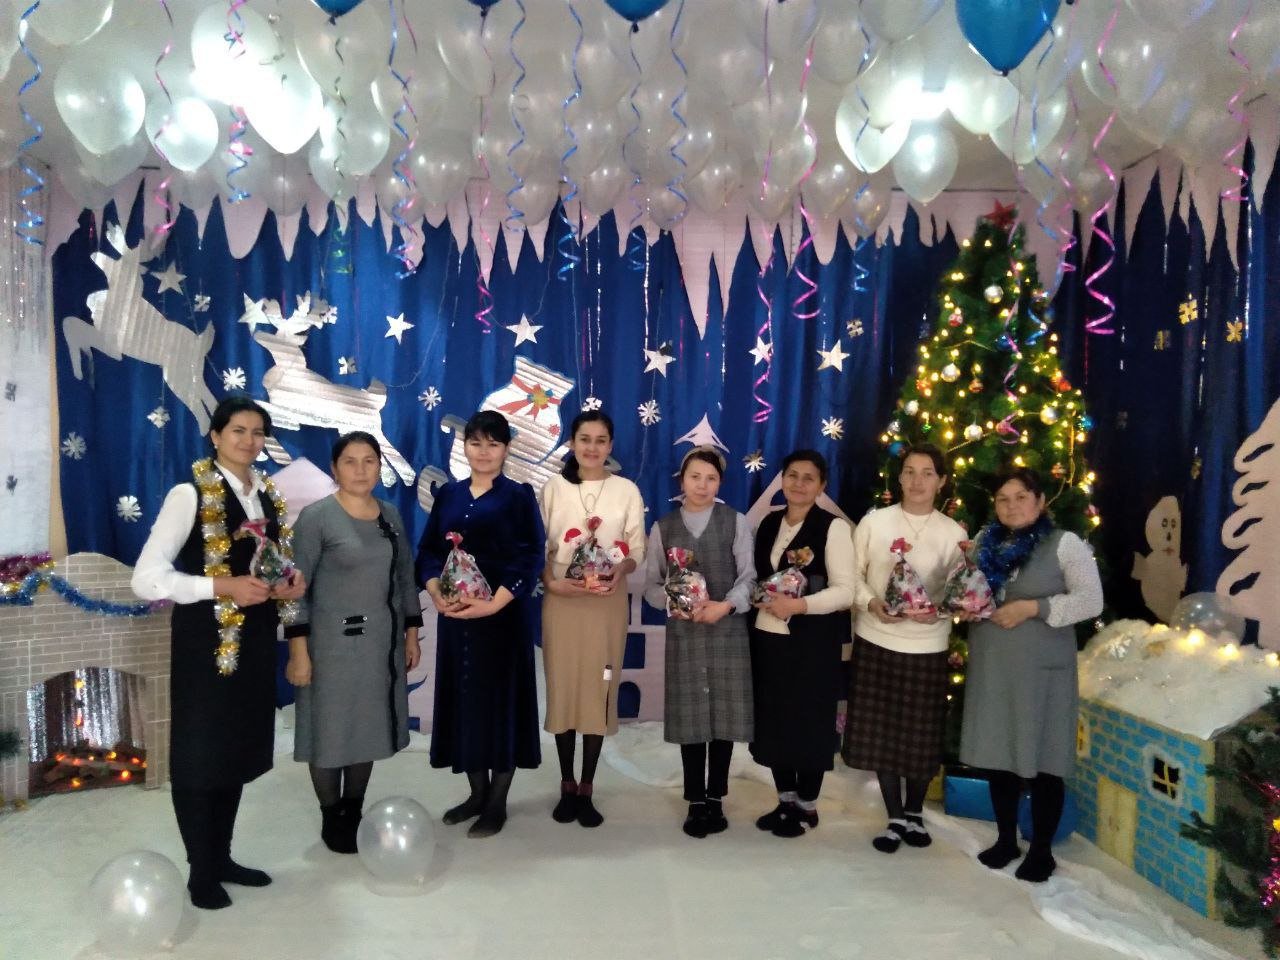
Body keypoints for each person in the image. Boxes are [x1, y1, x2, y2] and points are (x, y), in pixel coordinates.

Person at [131, 395, 306, 910]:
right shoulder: (189, 494)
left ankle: (222, 856)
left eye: (258, 433)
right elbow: (146, 578)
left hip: (253, 642)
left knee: (234, 751)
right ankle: (200, 871)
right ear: (215, 435)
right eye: (238, 431)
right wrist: (221, 587)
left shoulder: (266, 496)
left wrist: (286, 582)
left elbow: (266, 563)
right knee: (200, 755)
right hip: (205, 645)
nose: (249, 441)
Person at [960, 466, 1103, 882]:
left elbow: (1091, 601)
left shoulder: (1065, 544)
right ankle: (1006, 839)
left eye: (1021, 497)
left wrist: (1033, 608)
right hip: (994, 666)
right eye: (1003, 499)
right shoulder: (984, 542)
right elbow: (972, 591)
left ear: (1040, 501)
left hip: (1043, 674)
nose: (1012, 506)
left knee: (1045, 759)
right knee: (999, 755)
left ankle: (1041, 850)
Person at [285, 432, 423, 854]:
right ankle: (332, 815)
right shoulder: (317, 518)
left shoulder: (390, 515)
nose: (361, 470)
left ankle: (354, 810)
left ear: (380, 466)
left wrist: (411, 634)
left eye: (369, 461)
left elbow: (405, 579)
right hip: (329, 647)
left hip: (379, 645)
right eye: (350, 461)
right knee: (330, 730)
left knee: (367, 727)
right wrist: (298, 651)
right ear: (334, 468)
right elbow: (293, 592)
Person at [416, 411, 545, 838]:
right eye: (476, 443)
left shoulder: (518, 497)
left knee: (501, 707)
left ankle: (496, 803)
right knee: (466, 705)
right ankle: (476, 793)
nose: (484, 452)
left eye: (493, 444)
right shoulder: (449, 496)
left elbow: (530, 555)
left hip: (503, 620)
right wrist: (435, 591)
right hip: (457, 620)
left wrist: (495, 603)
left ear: (506, 449)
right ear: (464, 446)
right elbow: (428, 552)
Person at [843, 444, 966, 853]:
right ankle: (895, 815)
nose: (917, 481)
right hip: (877, 640)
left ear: (941, 481)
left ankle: (914, 811)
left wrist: (939, 612)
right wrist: (871, 603)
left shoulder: (953, 533)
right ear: (899, 478)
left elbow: (961, 591)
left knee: (920, 735)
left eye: (927, 473)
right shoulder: (874, 522)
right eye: (910, 471)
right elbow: (852, 576)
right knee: (882, 732)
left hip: (928, 645)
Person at [540, 410, 645, 828]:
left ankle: (587, 787)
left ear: (611, 446)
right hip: (563, 602)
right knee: (564, 687)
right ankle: (566, 783)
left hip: (606, 603)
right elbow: (538, 548)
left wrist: (622, 569)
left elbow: (636, 548)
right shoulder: (554, 488)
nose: (592, 447)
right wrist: (552, 583)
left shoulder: (626, 490)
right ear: (571, 442)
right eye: (585, 439)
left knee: (599, 687)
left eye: (601, 440)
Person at [642, 447, 755, 838]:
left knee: (723, 717)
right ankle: (694, 800)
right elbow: (651, 586)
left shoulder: (735, 522)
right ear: (682, 480)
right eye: (695, 477)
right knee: (690, 717)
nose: (702, 485)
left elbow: (748, 578)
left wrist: (726, 605)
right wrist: (675, 601)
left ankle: (716, 797)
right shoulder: (664, 527)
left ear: (719, 483)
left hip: (727, 630)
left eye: (711, 478)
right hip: (685, 633)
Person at [749, 449, 854, 838]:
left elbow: (845, 591)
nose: (798, 483)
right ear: (782, 479)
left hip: (812, 644)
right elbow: (761, 577)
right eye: (792, 475)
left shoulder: (833, 528)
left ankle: (807, 805)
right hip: (768, 638)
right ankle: (785, 801)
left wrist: (799, 605)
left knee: (808, 722)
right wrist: (758, 597)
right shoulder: (769, 523)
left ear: (822, 485)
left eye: (809, 478)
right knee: (776, 721)